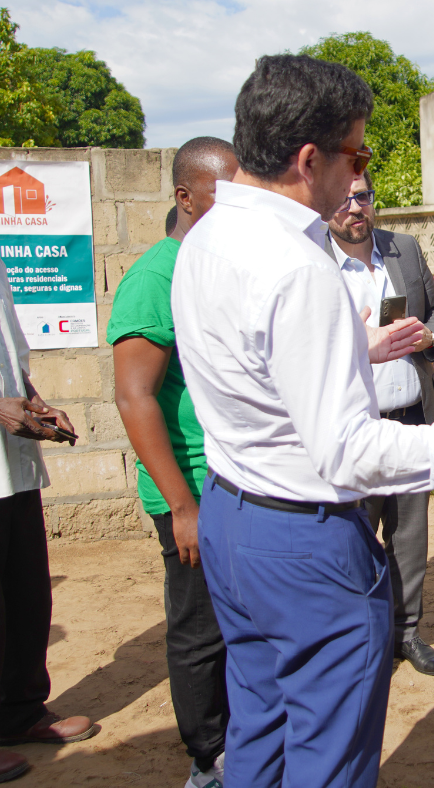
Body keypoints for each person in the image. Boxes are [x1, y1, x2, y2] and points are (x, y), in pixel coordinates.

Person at [169, 55, 434, 788]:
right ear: (308, 159)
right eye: (356, 154)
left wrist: (353, 349)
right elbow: (349, 450)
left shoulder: (205, 237)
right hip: (304, 540)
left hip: (235, 516)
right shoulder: (300, 267)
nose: (358, 174)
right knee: (328, 756)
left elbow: (255, 365)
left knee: (260, 728)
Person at [109, 136, 237, 788]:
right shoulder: (157, 276)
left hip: (230, 478)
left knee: (237, 620)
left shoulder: (215, 267)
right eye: (223, 195)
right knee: (199, 628)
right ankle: (207, 759)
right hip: (188, 485)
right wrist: (182, 504)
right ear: (184, 197)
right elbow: (134, 396)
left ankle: (236, 742)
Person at [327, 168, 434, 677]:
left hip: (411, 420)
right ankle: (361, 637)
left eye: (362, 196)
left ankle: (407, 632)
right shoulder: (314, 262)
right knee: (353, 537)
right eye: (342, 199)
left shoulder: (404, 248)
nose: (354, 207)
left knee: (409, 533)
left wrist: (429, 335)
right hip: (352, 428)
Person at [0, 267, 95, 782]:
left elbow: (10, 357)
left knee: (27, 596)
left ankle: (19, 713)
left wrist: (32, 401)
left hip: (13, 469)